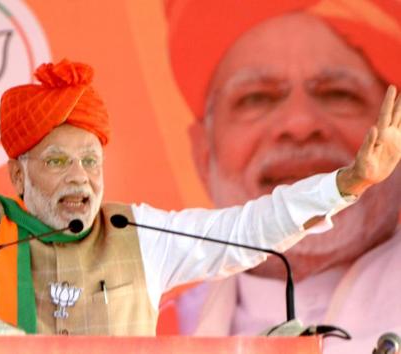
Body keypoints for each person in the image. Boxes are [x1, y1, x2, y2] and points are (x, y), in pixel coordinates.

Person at [0, 58, 399, 336]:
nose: (81, 177)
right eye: (59, 161)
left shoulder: (140, 235)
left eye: (91, 160)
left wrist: (347, 184)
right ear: (18, 177)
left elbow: (252, 228)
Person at [166, 0, 401, 352]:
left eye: (339, 94)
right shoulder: (149, 335)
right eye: (257, 98)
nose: (300, 125)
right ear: (203, 154)